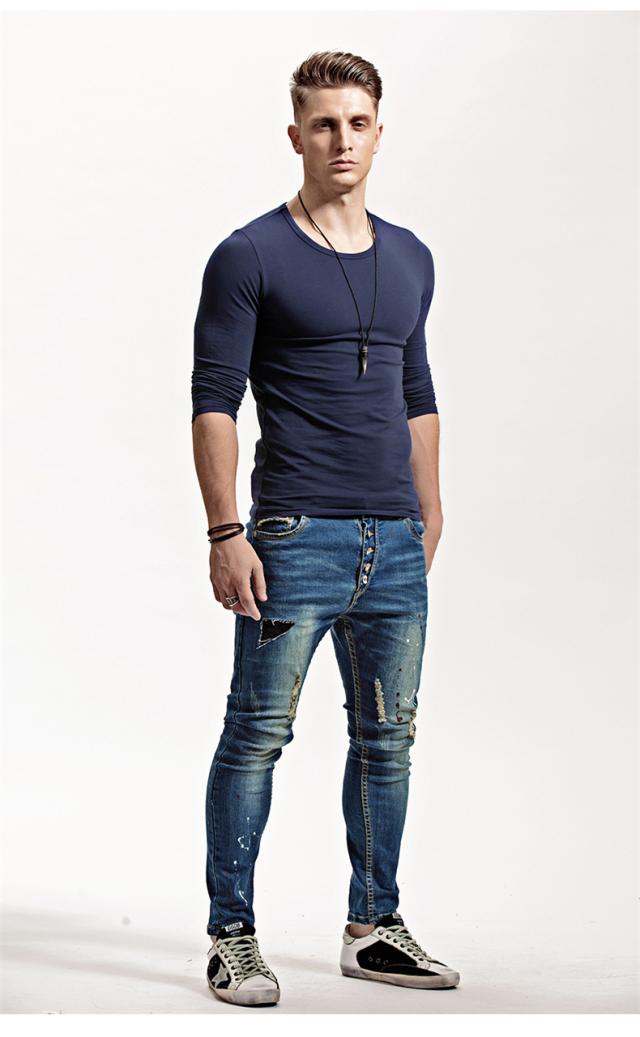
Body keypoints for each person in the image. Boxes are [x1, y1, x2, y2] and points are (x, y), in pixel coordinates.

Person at [191, 49, 460, 1007]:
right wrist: (226, 530)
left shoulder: (411, 255)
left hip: (394, 539)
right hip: (293, 534)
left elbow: (416, 391)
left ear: (379, 133)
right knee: (257, 734)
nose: (342, 140)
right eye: (323, 124)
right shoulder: (251, 254)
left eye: (357, 123)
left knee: (389, 739)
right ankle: (231, 934)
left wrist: (430, 508)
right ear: (296, 134)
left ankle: (373, 926)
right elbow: (215, 398)